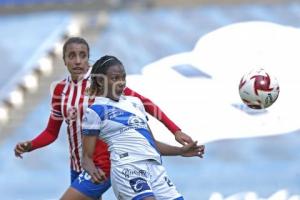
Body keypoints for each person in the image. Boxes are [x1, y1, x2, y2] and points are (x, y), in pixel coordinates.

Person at [13, 37, 195, 200]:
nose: (78, 61)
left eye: (82, 55)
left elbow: (144, 103)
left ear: (88, 58)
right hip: (79, 164)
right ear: (64, 60)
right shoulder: (61, 90)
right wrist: (31, 145)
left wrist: (175, 130)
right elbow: (51, 132)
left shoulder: (102, 82)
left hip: (104, 163)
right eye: (72, 56)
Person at [82, 55, 205, 199]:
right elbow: (86, 157)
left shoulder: (135, 103)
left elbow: (152, 144)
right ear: (100, 81)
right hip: (128, 168)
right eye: (115, 78)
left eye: (123, 78)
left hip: (155, 169)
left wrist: (180, 151)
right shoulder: (95, 111)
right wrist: (92, 170)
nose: (121, 83)